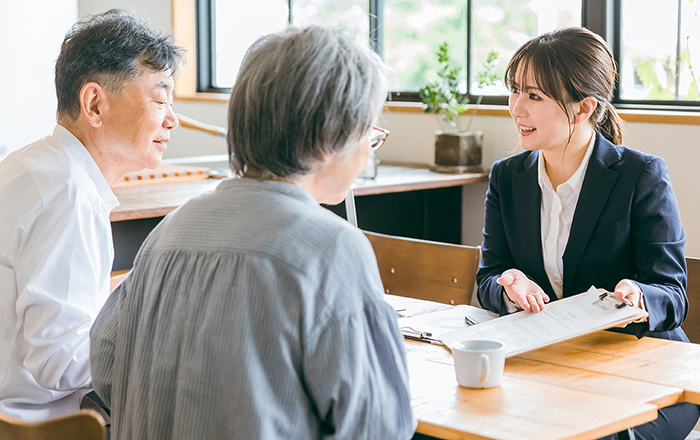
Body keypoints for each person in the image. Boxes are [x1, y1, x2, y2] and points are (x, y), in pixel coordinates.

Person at [90, 24, 416, 440]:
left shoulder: (169, 231)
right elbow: (380, 427)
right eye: (369, 131)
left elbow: (105, 365)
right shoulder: (332, 248)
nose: (370, 147)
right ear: (330, 136)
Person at [476, 27, 699, 439]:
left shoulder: (640, 175)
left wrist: (637, 295)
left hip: (647, 370)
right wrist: (507, 285)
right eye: (515, 91)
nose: (516, 109)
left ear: (583, 108)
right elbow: (488, 277)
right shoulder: (507, 178)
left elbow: (672, 293)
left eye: (534, 96)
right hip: (555, 366)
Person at [0, 9, 183, 421]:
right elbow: (60, 362)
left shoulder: (33, 165)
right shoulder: (69, 196)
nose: (172, 119)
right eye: (160, 98)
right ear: (94, 103)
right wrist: (160, 340)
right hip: (35, 426)